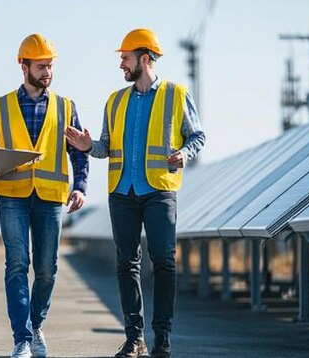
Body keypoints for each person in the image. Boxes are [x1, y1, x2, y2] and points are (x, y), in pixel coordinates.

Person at [65, 28, 205, 358]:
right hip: (122, 193)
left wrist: (184, 154)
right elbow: (105, 147)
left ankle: (163, 337)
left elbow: (197, 137)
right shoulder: (115, 101)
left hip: (159, 191)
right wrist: (88, 147)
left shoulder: (176, 94)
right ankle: (134, 338)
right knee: (126, 263)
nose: (121, 65)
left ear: (144, 59)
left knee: (164, 262)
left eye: (125, 59)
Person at [0, 33, 89, 358]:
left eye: (50, 66)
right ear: (23, 66)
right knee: (17, 264)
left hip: (51, 196)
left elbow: (79, 152)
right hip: (11, 194)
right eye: (41, 66)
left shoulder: (67, 107)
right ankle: (22, 338)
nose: (47, 72)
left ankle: (36, 324)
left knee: (47, 269)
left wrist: (80, 186)